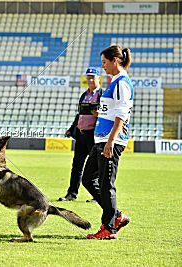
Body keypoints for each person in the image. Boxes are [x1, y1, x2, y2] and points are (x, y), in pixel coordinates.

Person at [83, 45, 133, 240]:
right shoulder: (115, 82)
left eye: (104, 62)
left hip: (111, 141)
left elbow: (122, 114)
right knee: (88, 179)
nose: (102, 66)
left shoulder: (122, 83)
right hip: (101, 139)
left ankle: (109, 229)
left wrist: (111, 141)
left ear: (114, 61)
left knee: (106, 185)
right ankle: (117, 215)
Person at [59, 67, 102, 202]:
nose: (90, 80)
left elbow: (107, 116)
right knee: (77, 165)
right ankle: (72, 193)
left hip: (93, 136)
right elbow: (79, 115)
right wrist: (71, 129)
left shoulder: (103, 95)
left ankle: (97, 195)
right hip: (81, 135)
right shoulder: (84, 95)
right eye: (88, 77)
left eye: (93, 77)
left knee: (97, 167)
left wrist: (98, 114)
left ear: (98, 78)